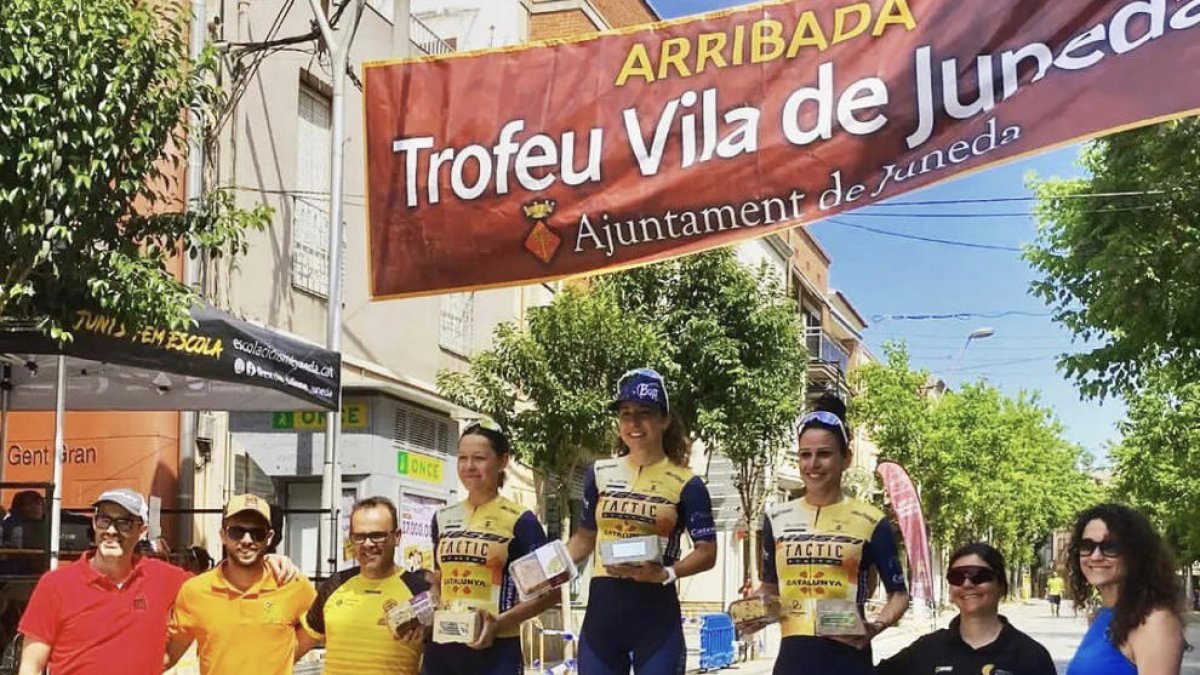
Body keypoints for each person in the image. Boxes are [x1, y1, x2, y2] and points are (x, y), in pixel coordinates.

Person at [16, 487, 299, 675]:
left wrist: (266, 562)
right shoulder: (56, 585)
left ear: (142, 530)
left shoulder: (164, 578)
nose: (111, 531)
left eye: (124, 523)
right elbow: (30, 665)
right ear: (94, 524)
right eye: (104, 521)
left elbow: (219, 583)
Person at [567, 368, 718, 675]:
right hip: (603, 616)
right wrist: (540, 571)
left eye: (644, 413)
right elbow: (583, 539)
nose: (633, 423)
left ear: (664, 420)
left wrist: (666, 573)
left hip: (656, 616)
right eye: (625, 414)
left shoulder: (687, 483)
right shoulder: (599, 473)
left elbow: (707, 552)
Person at [749, 394, 909, 675]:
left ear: (845, 458)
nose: (813, 465)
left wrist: (875, 627)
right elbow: (771, 589)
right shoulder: (776, 518)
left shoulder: (872, 521)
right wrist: (754, 612)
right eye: (805, 454)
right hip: (792, 662)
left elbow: (899, 595)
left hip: (847, 662)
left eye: (824, 454)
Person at [424, 421, 558, 675]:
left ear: (502, 461)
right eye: (462, 458)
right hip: (443, 650)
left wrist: (499, 624)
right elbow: (439, 581)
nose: (469, 467)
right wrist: (423, 609)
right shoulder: (441, 518)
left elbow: (549, 593)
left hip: (496, 652)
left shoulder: (522, 520)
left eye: (479, 458)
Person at [165, 494, 317, 674]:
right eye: (237, 532)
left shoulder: (292, 584)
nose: (246, 540)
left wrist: (286, 655)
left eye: (256, 533)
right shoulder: (196, 591)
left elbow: (317, 626)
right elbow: (169, 654)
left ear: (268, 537)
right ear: (223, 535)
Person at [877, 542, 1056, 675]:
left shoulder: (1031, 657)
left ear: (1001, 585)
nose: (967, 584)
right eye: (956, 577)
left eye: (979, 575)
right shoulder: (926, 649)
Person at [302, 496, 432, 675]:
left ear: (396, 537)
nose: (368, 544)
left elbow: (447, 654)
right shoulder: (334, 585)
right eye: (359, 537)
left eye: (377, 536)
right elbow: (296, 647)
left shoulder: (420, 591)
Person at [1065, 503, 1185, 675]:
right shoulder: (1101, 616)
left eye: (1110, 547)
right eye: (1086, 546)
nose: (1096, 556)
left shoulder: (1155, 621)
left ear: (1135, 554)